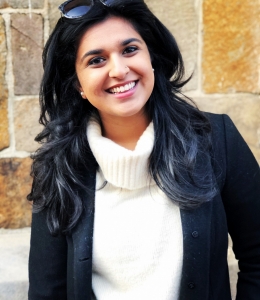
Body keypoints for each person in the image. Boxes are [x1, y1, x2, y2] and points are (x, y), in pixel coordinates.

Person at [27, 0, 260, 299]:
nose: (119, 70)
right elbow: (47, 292)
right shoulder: (58, 169)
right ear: (78, 85)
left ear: (151, 57)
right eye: (96, 60)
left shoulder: (216, 141)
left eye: (129, 50)